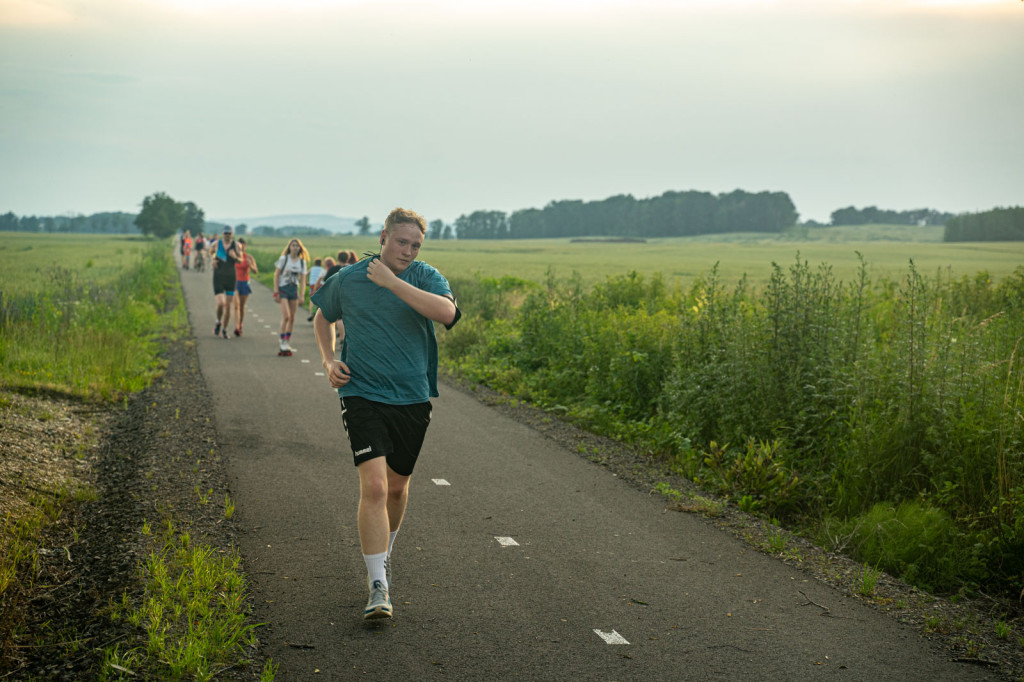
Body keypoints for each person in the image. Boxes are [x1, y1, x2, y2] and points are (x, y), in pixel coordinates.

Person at [311, 207, 460, 620]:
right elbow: (323, 317)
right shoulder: (349, 278)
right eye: (401, 242)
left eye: (415, 244)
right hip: (361, 394)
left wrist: (393, 282)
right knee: (374, 488)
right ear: (383, 237)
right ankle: (378, 585)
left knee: (397, 488)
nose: (408, 250)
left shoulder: (425, 277)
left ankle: (384, 554)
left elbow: (447, 313)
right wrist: (327, 361)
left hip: (412, 397)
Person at [273, 238, 309, 354]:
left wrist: (302, 295)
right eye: (293, 245)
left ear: (300, 248)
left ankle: (287, 340)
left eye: (297, 246)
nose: (295, 247)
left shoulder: (302, 262)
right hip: (283, 288)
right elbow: (276, 275)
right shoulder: (284, 259)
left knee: (292, 318)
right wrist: (276, 291)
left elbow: (303, 280)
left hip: (294, 289)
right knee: (286, 316)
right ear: (289, 247)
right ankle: (282, 340)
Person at [211, 226, 244, 339]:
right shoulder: (216, 244)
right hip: (218, 277)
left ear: (232, 234)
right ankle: (218, 322)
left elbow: (241, 260)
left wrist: (234, 256)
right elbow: (210, 253)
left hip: (231, 278)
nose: (227, 235)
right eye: (225, 233)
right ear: (222, 233)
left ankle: (224, 329)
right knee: (221, 303)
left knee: (228, 306)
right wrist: (212, 259)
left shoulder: (237, 246)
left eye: (229, 233)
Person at [233, 238, 258, 336]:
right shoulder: (233, 256)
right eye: (239, 245)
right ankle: (237, 327)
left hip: (245, 282)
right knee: (236, 305)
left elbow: (255, 271)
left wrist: (251, 265)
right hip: (235, 283)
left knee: (242, 306)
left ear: (245, 246)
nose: (241, 247)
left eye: (243, 245)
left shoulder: (249, 257)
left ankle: (240, 324)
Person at [306, 258, 325, 322]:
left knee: (312, 300)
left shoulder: (312, 268)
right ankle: (317, 312)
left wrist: (306, 282)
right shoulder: (322, 269)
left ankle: (311, 313)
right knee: (319, 300)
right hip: (319, 285)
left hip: (312, 285)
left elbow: (305, 274)